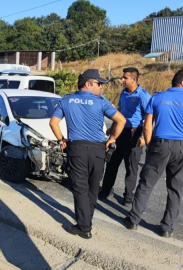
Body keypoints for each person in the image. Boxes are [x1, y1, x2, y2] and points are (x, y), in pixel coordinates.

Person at [124, 70, 183, 237]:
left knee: (146, 184)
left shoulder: (157, 97)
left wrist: (149, 146)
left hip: (159, 145)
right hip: (182, 149)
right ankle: (166, 228)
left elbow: (147, 127)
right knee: (176, 190)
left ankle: (133, 220)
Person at [50, 69, 126, 239]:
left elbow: (53, 122)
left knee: (80, 188)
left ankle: (84, 227)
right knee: (92, 187)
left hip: (77, 149)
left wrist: (62, 139)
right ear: (88, 84)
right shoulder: (101, 102)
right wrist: (112, 139)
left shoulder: (67, 100)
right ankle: (87, 220)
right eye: (99, 84)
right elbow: (121, 120)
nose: (101, 87)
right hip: (98, 149)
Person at [99, 67, 151, 206]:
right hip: (120, 131)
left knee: (131, 167)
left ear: (133, 79)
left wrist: (144, 137)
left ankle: (128, 197)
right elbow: (120, 111)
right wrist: (112, 127)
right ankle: (106, 190)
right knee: (112, 162)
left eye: (125, 78)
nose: (122, 80)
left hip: (135, 133)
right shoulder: (123, 93)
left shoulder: (143, 95)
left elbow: (150, 117)